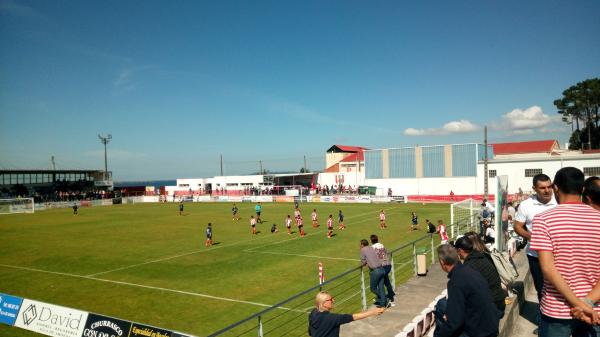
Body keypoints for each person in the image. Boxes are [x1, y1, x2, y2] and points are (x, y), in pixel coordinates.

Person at [530, 167, 600, 337]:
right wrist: (586, 302)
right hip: (594, 309)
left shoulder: (543, 220)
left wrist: (579, 304)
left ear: (555, 188)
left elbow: (548, 269)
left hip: (557, 310)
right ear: (582, 189)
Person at [513, 173, 557, 334]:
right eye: (542, 188)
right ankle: (544, 321)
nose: (547, 190)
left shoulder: (560, 201)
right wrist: (535, 237)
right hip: (535, 256)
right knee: (542, 290)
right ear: (534, 189)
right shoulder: (526, 205)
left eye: (549, 186)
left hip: (559, 256)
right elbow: (518, 226)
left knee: (562, 288)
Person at [433, 244, 500, 337]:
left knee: (442, 311)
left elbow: (455, 322)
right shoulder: (470, 271)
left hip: (479, 332)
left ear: (442, 262)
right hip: (491, 326)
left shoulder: (456, 281)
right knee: (442, 305)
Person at [454, 236, 505, 313]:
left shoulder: (470, 266)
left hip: (492, 309)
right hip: (499, 302)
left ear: (459, 250)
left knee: (442, 306)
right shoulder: (481, 256)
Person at [308, 291, 384, 337]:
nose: (333, 300)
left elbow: (310, 332)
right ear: (324, 303)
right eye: (330, 300)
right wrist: (372, 312)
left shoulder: (313, 313)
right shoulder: (332, 318)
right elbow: (353, 317)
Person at [360, 239, 387, 308]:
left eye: (360, 244)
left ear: (362, 245)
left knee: (373, 288)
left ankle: (384, 299)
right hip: (382, 269)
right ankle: (383, 303)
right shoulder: (371, 247)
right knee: (381, 287)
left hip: (375, 271)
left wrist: (365, 264)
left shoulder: (363, 250)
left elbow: (363, 262)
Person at [370, 234, 395, 307]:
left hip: (382, 266)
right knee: (387, 281)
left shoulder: (372, 247)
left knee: (380, 283)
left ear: (371, 241)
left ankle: (383, 301)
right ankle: (391, 296)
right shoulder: (381, 245)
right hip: (388, 265)